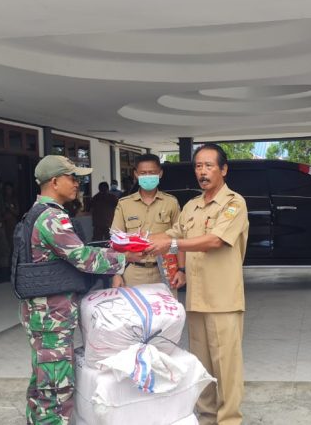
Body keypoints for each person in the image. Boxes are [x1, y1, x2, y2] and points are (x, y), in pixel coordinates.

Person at [19, 155, 142, 425]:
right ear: (54, 182)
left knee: (43, 382)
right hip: (51, 316)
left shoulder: (39, 212)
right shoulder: (52, 217)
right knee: (56, 388)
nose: (77, 183)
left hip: (45, 314)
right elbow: (83, 258)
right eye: (72, 178)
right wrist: (124, 258)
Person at [147, 144, 249, 425]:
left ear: (223, 169)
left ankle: (229, 420)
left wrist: (171, 242)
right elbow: (173, 234)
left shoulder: (234, 203)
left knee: (226, 367)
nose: (202, 172)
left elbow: (215, 240)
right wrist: (141, 244)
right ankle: (206, 418)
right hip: (197, 299)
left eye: (208, 166)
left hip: (224, 300)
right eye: (198, 166)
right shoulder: (191, 206)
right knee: (202, 366)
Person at [111, 153, 186, 294]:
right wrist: (116, 273)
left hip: (165, 270)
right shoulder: (124, 204)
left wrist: (181, 269)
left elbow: (179, 238)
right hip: (133, 272)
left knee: (166, 314)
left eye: (152, 173)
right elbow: (116, 241)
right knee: (135, 313)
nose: (148, 176)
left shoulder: (171, 202)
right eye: (143, 173)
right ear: (136, 175)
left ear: (160, 173)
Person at [2, 182, 20, 246]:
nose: (8, 191)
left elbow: (17, 212)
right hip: (3, 224)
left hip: (12, 223)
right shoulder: (1, 199)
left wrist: (9, 207)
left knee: (12, 241)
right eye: (6, 189)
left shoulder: (14, 199)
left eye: (9, 189)